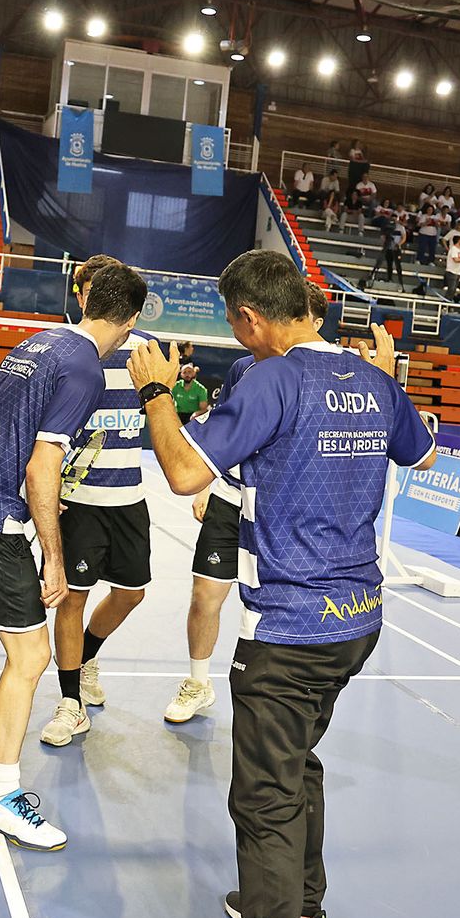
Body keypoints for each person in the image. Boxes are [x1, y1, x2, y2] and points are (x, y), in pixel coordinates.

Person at [127, 248, 435, 918]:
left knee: (263, 803)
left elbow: (183, 472)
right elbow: (422, 456)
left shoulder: (272, 379)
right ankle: (306, 912)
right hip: (358, 621)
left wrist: (157, 393)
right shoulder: (374, 379)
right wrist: (386, 387)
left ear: (249, 317)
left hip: (289, 631)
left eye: (234, 325)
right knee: (297, 763)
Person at [0, 262, 147, 852]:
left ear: (86, 299)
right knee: (30, 655)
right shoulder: (87, 369)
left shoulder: (40, 341)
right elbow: (41, 465)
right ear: (130, 321)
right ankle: (1, 796)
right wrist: (53, 555)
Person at [165, 281, 327, 726]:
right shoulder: (243, 369)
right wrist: (206, 486)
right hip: (229, 499)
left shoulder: (316, 376)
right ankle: (199, 683)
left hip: (281, 509)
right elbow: (223, 435)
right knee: (205, 595)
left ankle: (280, 693)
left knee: (275, 605)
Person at [40, 256, 157, 748]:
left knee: (132, 593)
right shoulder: (66, 349)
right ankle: (70, 702)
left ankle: (87, 655)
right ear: (79, 294)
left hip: (129, 498)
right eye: (88, 288)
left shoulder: (146, 351)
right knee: (72, 598)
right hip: (79, 502)